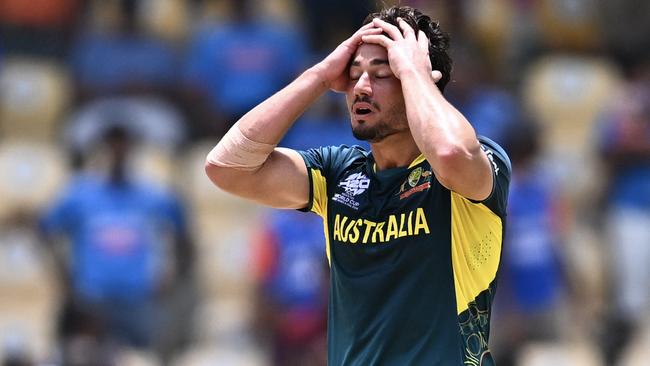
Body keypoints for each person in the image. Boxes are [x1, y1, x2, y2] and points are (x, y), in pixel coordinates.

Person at [205, 6, 511, 365]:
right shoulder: (338, 173)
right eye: (354, 74)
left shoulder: (479, 162)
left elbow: (448, 151)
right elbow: (226, 167)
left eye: (383, 74)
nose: (361, 87)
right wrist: (319, 76)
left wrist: (413, 72)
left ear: (424, 80)